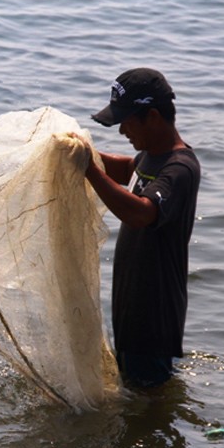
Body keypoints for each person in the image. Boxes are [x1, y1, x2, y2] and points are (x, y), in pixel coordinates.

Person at [74, 68, 200, 388]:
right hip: (134, 310)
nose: (122, 132)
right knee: (137, 394)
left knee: (149, 401)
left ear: (153, 116)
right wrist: (85, 155)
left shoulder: (180, 168)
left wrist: (89, 170)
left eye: (127, 122)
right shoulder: (150, 156)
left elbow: (142, 214)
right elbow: (128, 169)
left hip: (154, 318)